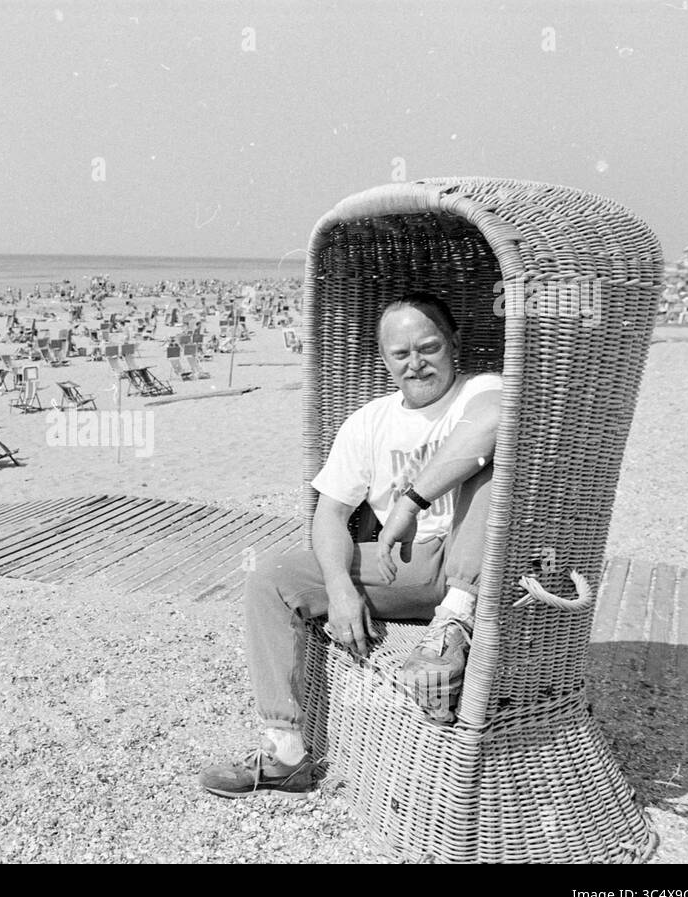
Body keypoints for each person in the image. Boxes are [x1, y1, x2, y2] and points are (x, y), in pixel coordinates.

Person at [199, 292, 502, 798]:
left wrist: (410, 502)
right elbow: (331, 514)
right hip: (402, 566)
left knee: (489, 461)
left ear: (453, 344)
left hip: (470, 559)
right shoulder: (369, 421)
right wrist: (339, 587)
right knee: (270, 577)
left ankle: (453, 625)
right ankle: (285, 753)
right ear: (383, 358)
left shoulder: (482, 390)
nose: (415, 363)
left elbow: (492, 423)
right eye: (400, 354)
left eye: (428, 347)